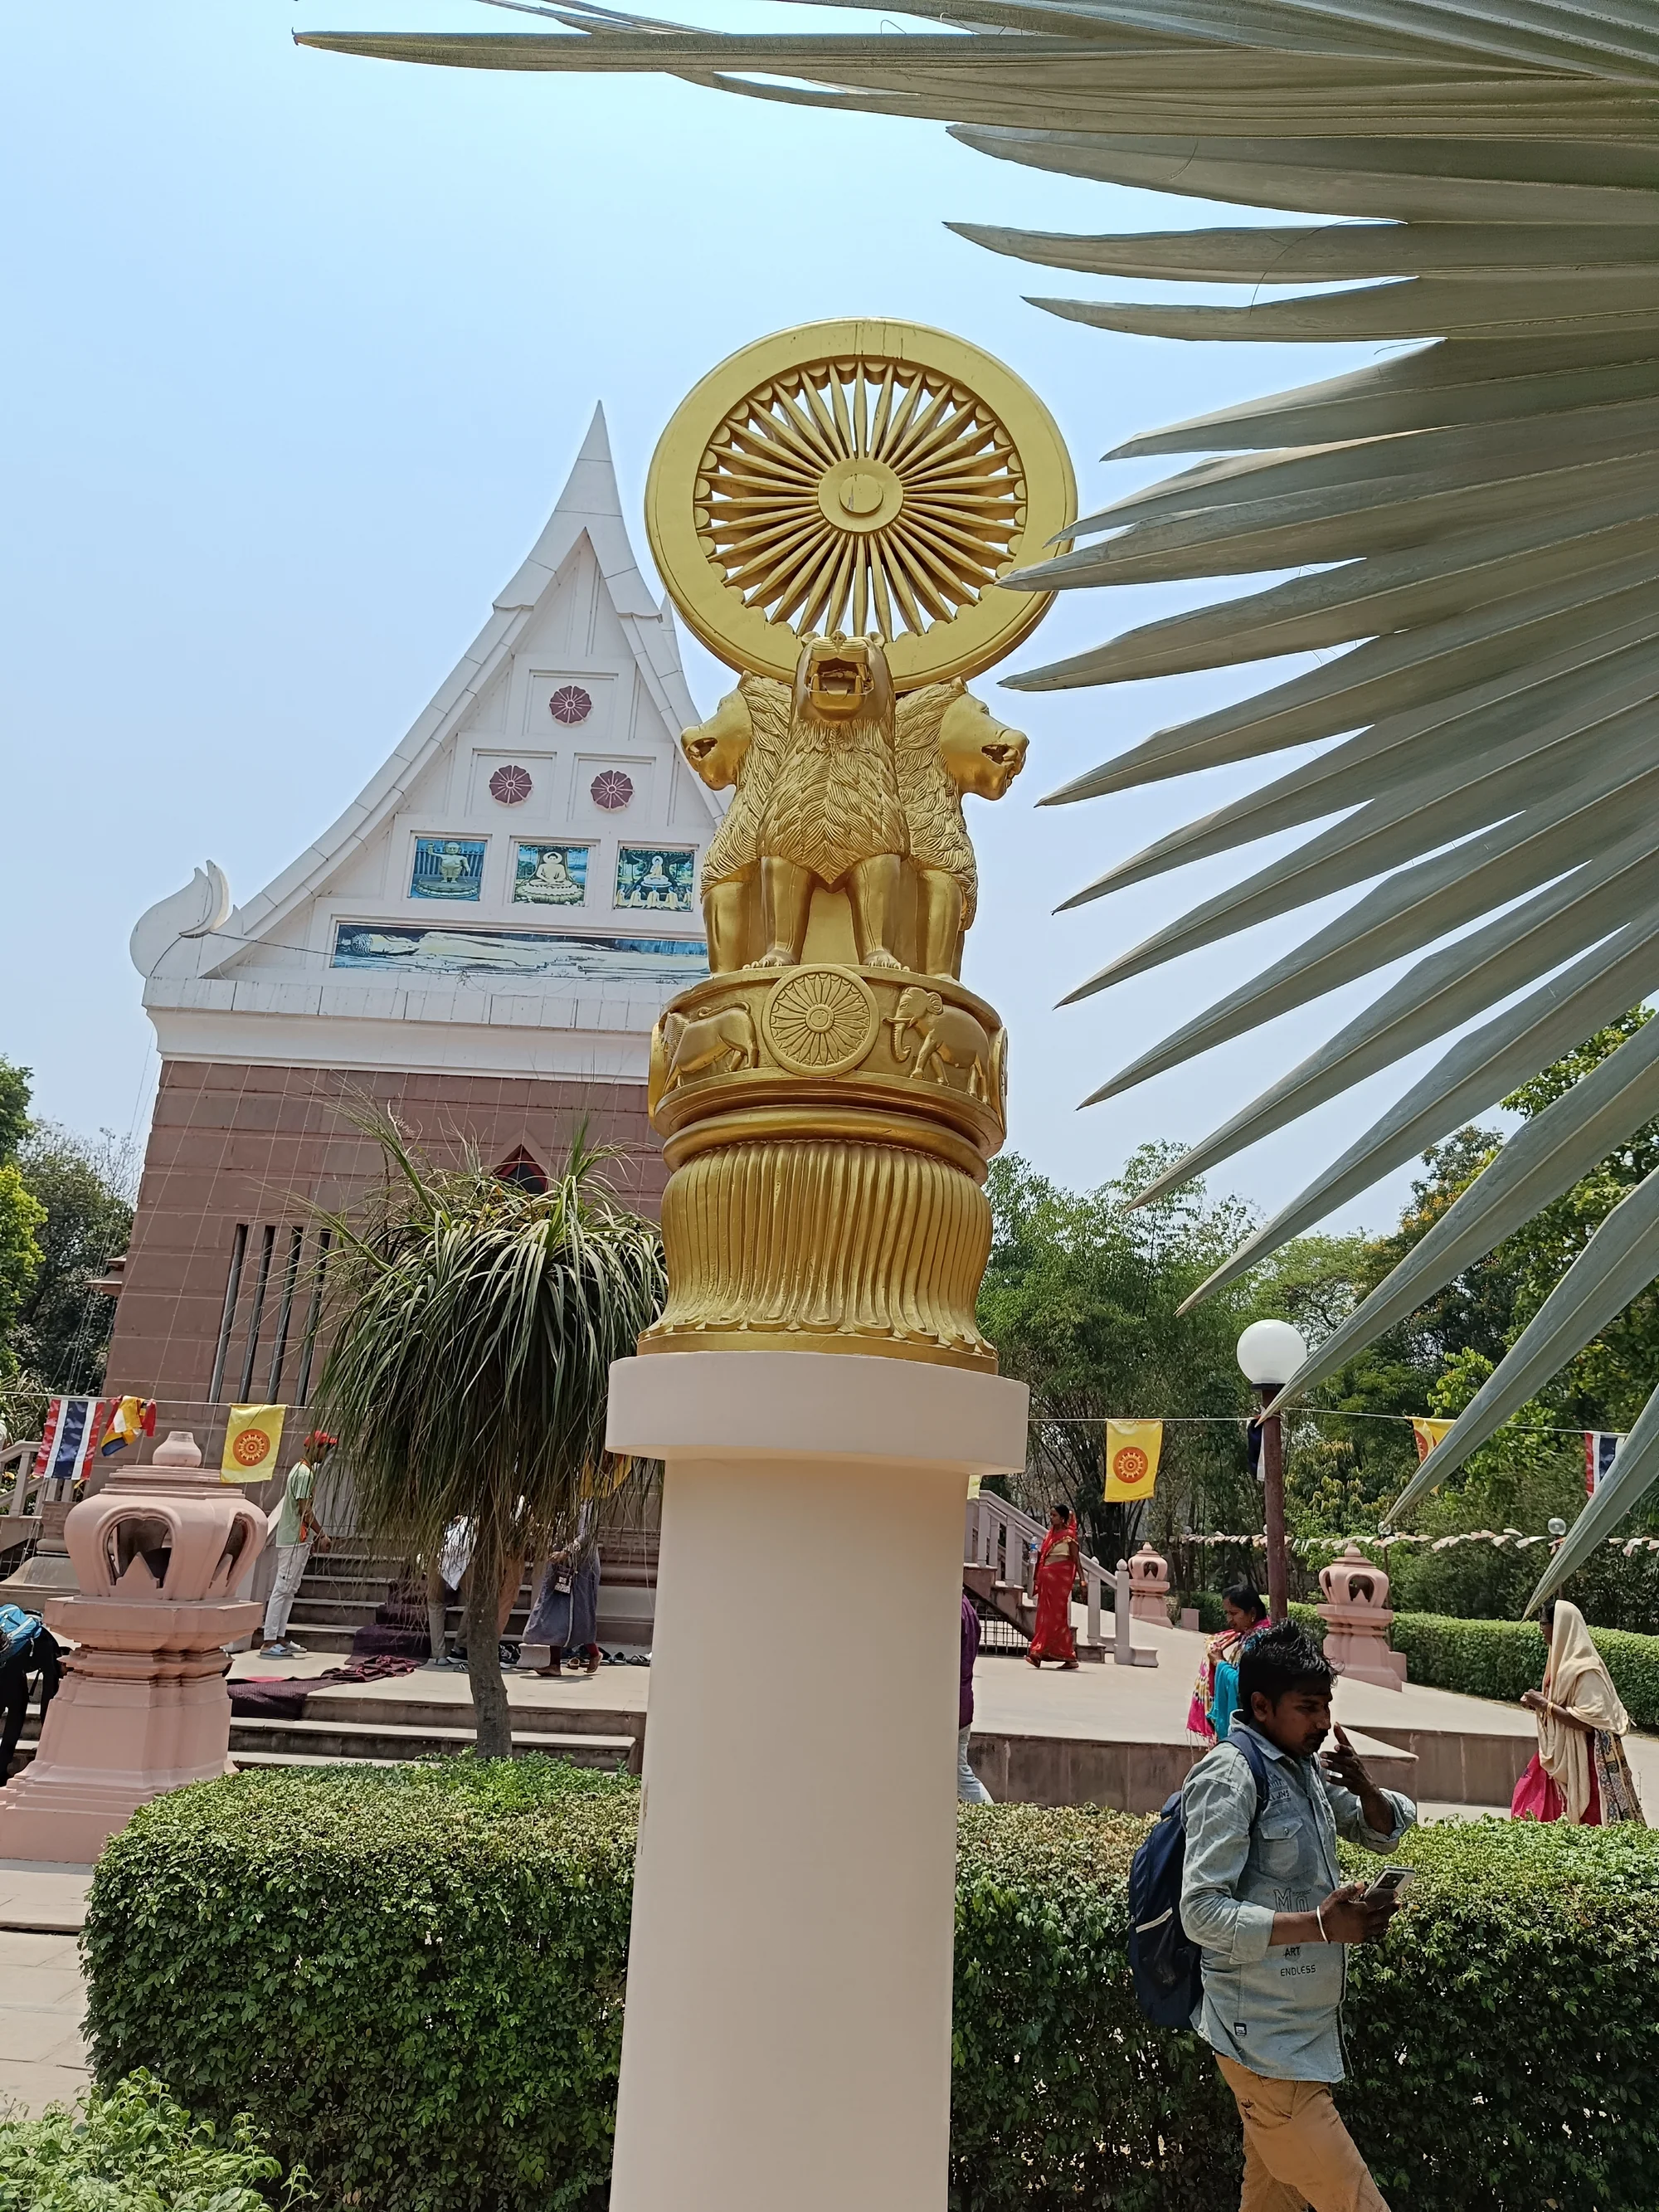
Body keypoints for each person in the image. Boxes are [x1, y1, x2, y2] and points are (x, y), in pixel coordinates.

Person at [1181, 1620, 1417, 2212]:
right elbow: (1202, 1912)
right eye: (1307, 1708)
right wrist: (1321, 1926)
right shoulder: (1232, 1775)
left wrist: (1366, 1789)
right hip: (1263, 2046)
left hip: (1297, 2042)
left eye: (1326, 1707)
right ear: (1261, 1706)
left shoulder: (1302, 1765)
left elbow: (1382, 1828)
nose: (1321, 1722)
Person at [1511, 1598, 1647, 1825]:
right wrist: (1540, 1702)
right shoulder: (1558, 1662)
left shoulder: (1586, 1670)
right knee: (1530, 1806)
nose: (1541, 1629)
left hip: (1588, 1761)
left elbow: (1589, 1721)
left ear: (1561, 1626)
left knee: (1591, 1822)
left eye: (1544, 1623)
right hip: (1562, 1753)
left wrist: (1546, 1705)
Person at [260, 1432, 333, 1659]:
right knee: (283, 1589)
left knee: (290, 1590)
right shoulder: (303, 1473)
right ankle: (269, 1640)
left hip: (298, 1540)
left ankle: (279, 1637)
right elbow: (304, 1510)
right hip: (293, 1539)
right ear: (315, 1448)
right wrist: (321, 1534)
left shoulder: (304, 1471)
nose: (326, 1453)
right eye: (324, 1448)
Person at [1187, 1582, 1269, 1745]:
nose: (1229, 1620)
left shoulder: (1259, 1641)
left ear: (1252, 1612)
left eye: (1234, 1613)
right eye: (1227, 1613)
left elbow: (1242, 1685)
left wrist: (1219, 1663)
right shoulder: (1248, 1636)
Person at [526, 1502, 601, 1677]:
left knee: (580, 1613)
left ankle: (594, 1653)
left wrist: (566, 1552)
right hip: (560, 1566)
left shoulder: (586, 1505)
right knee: (555, 1610)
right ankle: (554, 1665)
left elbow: (585, 1534)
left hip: (580, 1567)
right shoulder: (561, 1505)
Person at [0, 1605, 61, 1784]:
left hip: (8, 1668)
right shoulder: (48, 1644)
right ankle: (1, 1768)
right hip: (12, 1670)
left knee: (14, 1708)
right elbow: (48, 1695)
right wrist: (47, 1737)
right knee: (16, 1716)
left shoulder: (9, 1618)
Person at [1026, 1503, 1080, 1669]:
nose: (1051, 1518)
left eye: (1054, 1515)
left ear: (1062, 1518)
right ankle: (1063, 1655)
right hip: (1046, 1581)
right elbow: (1042, 1557)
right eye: (1050, 1515)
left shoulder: (1069, 1536)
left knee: (1056, 1618)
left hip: (1059, 1583)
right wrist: (1036, 1576)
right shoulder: (1048, 1536)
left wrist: (1083, 1579)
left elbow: (1075, 1559)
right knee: (1044, 1617)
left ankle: (1038, 1652)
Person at [959, 1592, 991, 1804]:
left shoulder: (953, 1610)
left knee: (961, 1776)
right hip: (962, 1703)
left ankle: (991, 1818)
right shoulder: (967, 1608)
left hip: (952, 1705)